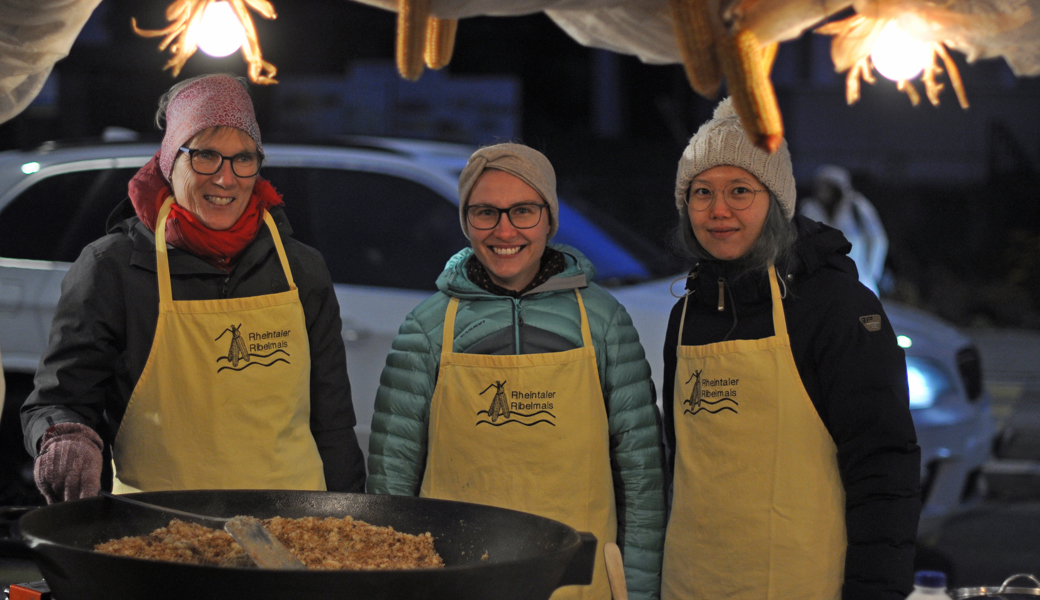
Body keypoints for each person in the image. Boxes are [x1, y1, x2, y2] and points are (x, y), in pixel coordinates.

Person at [21, 74, 366, 502]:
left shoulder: (301, 269)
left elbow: (332, 422)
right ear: (170, 162)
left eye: (244, 158)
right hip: (159, 531)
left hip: (295, 529)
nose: (226, 179)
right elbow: (58, 400)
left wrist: (352, 517)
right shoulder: (113, 268)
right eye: (205, 156)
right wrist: (65, 439)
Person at [367, 143, 666, 600]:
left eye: (523, 210)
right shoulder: (428, 327)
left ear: (549, 218)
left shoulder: (603, 322)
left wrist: (640, 591)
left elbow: (642, 475)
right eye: (486, 212)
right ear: (466, 221)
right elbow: (392, 482)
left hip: (581, 584)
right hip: (458, 581)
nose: (504, 230)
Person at [661, 98, 921, 600]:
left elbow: (884, 467)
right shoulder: (687, 313)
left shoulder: (835, 306)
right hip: (691, 584)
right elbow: (680, 469)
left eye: (740, 190)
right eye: (701, 193)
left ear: (777, 201)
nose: (718, 210)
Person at [799, 164, 888, 295]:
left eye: (827, 186)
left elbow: (877, 239)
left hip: (858, 279)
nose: (822, 190)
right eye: (820, 185)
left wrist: (872, 273)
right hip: (822, 284)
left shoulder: (857, 207)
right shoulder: (810, 209)